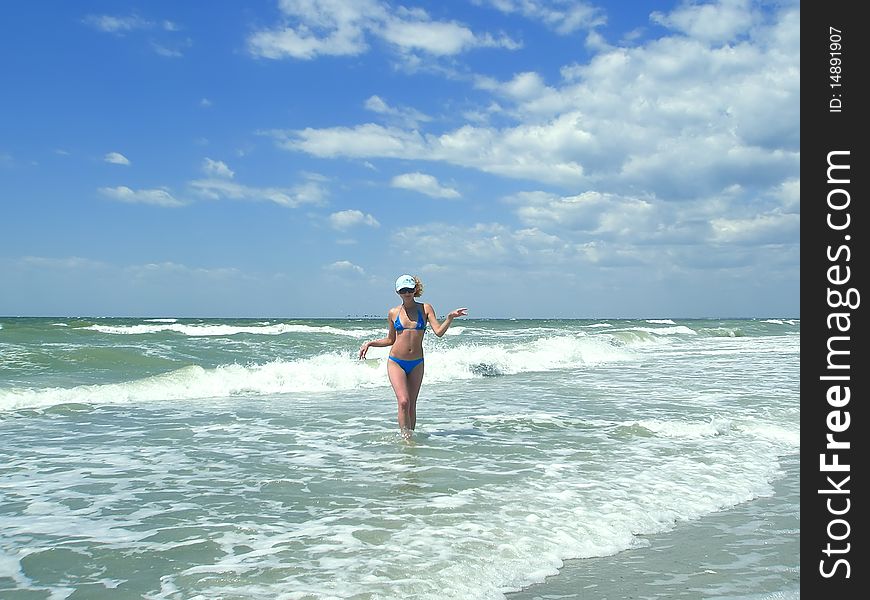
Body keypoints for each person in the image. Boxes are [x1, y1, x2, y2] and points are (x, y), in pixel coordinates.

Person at [359, 274, 468, 439]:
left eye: (409, 289)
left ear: (415, 289)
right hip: (396, 362)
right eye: (403, 290)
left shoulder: (425, 308)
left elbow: (438, 332)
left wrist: (450, 318)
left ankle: (411, 438)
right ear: (398, 292)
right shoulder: (393, 312)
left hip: (417, 362)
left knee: (412, 405)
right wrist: (370, 343)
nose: (407, 293)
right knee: (403, 401)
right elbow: (390, 340)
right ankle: (406, 438)